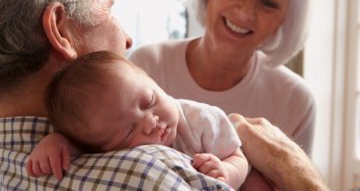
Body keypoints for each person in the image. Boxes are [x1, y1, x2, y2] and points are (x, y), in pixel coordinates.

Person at [0, 0, 328, 190]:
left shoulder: (14, 157)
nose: (129, 41)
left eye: (270, 2)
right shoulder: (154, 174)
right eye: (110, 12)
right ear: (61, 30)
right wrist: (300, 175)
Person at [129, 0, 315, 188]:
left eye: (268, 3)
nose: (245, 12)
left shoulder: (296, 100)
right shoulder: (148, 64)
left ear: (285, 20)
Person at [26, 51, 254, 190]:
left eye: (148, 101)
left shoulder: (201, 119)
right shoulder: (102, 146)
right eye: (128, 132)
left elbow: (238, 156)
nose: (150, 122)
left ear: (151, 79)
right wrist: (59, 142)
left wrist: (227, 171)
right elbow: (87, 150)